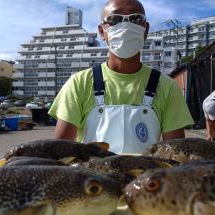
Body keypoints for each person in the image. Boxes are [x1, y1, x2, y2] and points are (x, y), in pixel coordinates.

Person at [48, 0, 194, 154]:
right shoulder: (79, 83)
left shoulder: (166, 86)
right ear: (101, 31)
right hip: (92, 177)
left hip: (147, 178)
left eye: (135, 19)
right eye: (114, 20)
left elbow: (176, 154)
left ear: (146, 28)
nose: (126, 26)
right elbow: (60, 154)